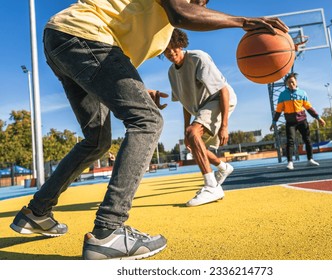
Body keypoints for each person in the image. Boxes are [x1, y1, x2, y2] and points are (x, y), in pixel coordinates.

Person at [9, 0, 289, 260]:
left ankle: (36, 212)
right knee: (148, 121)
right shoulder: (176, 11)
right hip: (85, 36)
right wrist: (244, 21)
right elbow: (182, 12)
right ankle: (108, 231)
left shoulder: (160, 26)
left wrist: (141, 90)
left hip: (64, 40)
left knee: (97, 140)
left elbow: (110, 63)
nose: (200, 5)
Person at [163, 28, 236, 207]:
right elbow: (185, 102)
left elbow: (223, 90)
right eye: (166, 49)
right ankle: (223, 167)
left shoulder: (198, 58)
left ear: (181, 44)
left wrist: (225, 125)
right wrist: (185, 131)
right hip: (201, 108)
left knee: (193, 133)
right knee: (193, 143)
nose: (171, 52)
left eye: (174, 47)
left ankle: (212, 186)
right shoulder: (171, 73)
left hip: (219, 100)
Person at [270, 73, 326, 170]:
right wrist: (274, 122)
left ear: (296, 82)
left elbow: (309, 108)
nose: (291, 84)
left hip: (302, 121)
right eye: (288, 83)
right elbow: (278, 110)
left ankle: (310, 159)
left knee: (307, 140)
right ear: (286, 84)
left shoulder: (302, 93)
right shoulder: (283, 95)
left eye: (292, 82)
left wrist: (318, 117)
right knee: (290, 141)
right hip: (290, 123)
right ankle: (290, 162)